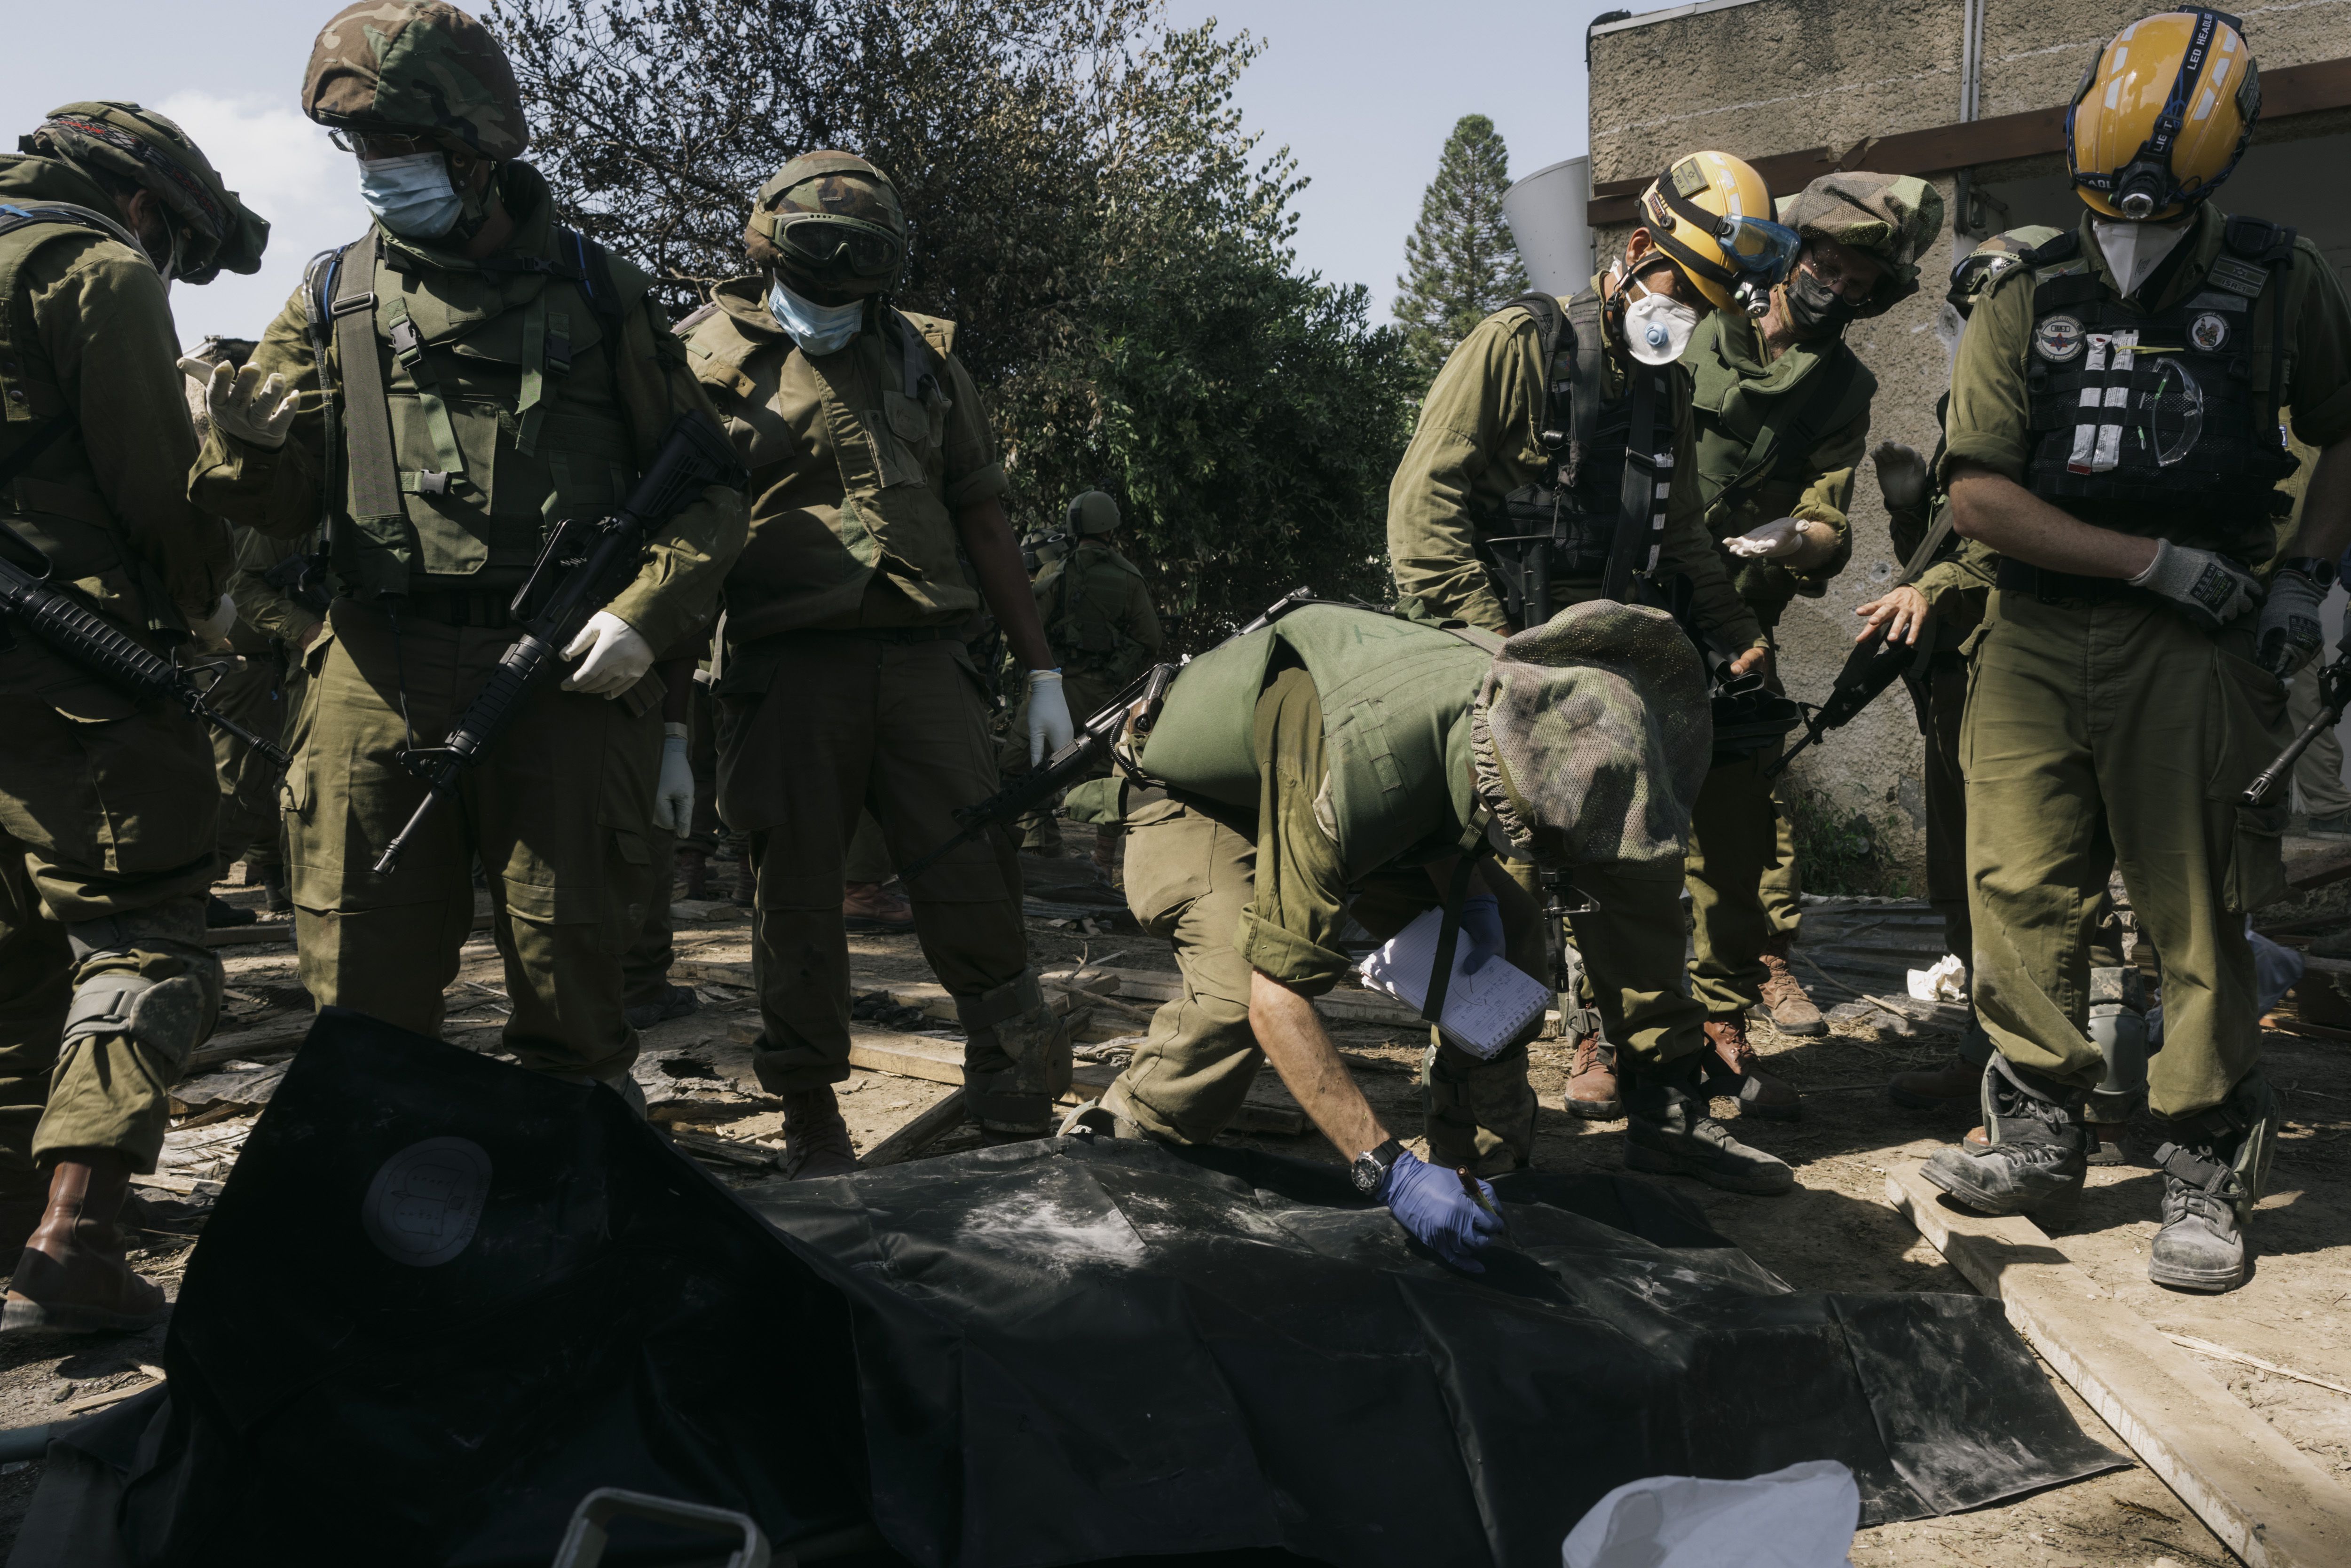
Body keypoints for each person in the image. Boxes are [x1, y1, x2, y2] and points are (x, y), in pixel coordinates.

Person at [189, 2, 745, 1106]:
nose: (373, 172)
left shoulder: (603, 294)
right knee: (361, 982)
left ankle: (580, 1203)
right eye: (358, 148)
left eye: (396, 149)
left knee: (573, 964)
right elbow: (285, 503)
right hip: (372, 668)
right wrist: (244, 446)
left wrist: (645, 614)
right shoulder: (330, 294)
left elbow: (712, 493)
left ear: (478, 153)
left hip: (561, 676)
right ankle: (386, 1216)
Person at [1921, 8, 2351, 1294]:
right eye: (2104, 199)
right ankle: (2039, 1132)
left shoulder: (2283, 278)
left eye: (2149, 208)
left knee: (2194, 901)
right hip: (2041, 633)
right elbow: (1978, 497)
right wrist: (2145, 558)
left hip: (2200, 646)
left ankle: (2208, 1161)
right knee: (2018, 885)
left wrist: (2307, 578)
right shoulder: (2026, 286)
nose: (2122, 225)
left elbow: (2345, 429)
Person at [1083, 597, 1779, 1230]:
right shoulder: (1351, 769)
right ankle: (1110, 1154)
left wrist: (1472, 901)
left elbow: (1439, 797)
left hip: (1354, 779)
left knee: (1507, 930)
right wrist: (1384, 1166)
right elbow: (1278, 1000)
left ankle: (1479, 1162)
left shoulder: (1517, 696)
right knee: (1237, 992)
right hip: (1191, 799)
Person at [1385, 148, 1802, 1167]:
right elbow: (1420, 509)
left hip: (1606, 687)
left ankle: (1666, 1110)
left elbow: (1687, 533)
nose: (1688, 317)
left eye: (1709, 305)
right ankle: (1475, 1140)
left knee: (1646, 898)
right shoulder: (1516, 346)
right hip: (1495, 675)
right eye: (1682, 289)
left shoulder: (1662, 386)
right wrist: (1490, 648)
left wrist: (1736, 630)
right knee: (1503, 916)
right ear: (1639, 250)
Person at [680, 150, 1073, 1176]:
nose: (836, 287)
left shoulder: (924, 358)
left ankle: (1013, 1090)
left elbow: (981, 515)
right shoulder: (701, 359)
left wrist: (1042, 674)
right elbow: (673, 543)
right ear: (769, 247)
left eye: (862, 268)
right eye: (819, 263)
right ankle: (810, 1105)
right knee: (796, 897)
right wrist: (665, 718)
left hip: (925, 661)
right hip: (783, 665)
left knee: (975, 880)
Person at [0, 101, 267, 1329]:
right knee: (146, 932)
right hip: (69, 674)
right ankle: (80, 1228)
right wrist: (203, 596)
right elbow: (161, 494)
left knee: (14, 960)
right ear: (147, 206)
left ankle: (16, 1215)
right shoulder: (91, 269)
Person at [1861, 229, 2139, 1166]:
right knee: (1963, 881)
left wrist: (1930, 583)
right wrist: (1909, 512)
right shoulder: (1970, 404)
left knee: (2045, 892)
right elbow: (1945, 549)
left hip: (2025, 675)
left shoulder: (2078, 411)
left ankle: (2069, 1095)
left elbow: (2006, 546)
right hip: (1959, 678)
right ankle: (1983, 1059)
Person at [1680, 172, 1944, 1053]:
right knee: (1599, 814)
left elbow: (1832, 517)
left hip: (1733, 626)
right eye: (1828, 267)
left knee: (1742, 816)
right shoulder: (1697, 329)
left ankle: (1730, 1003)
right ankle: (1602, 1025)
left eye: (1861, 286)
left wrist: (1803, 540)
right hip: (1628, 604)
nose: (1838, 292)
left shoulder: (1844, 389)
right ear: (1793, 254)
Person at [1004, 490, 1164, 875]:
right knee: (1110, 771)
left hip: (1053, 690)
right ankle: (1103, 861)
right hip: (1104, 695)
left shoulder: (1053, 573)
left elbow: (1027, 627)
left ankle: (1039, 844)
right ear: (1110, 526)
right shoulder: (1129, 579)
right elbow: (1151, 638)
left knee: (1021, 764)